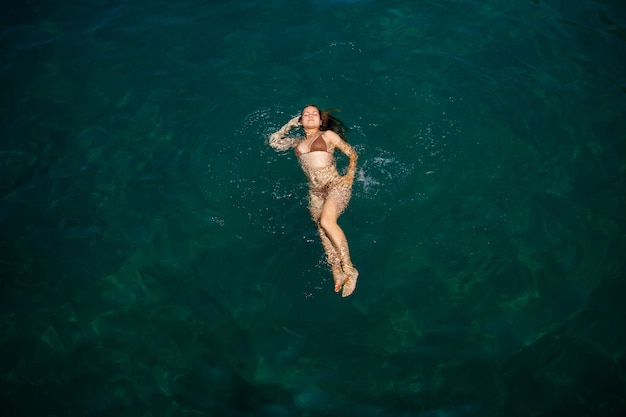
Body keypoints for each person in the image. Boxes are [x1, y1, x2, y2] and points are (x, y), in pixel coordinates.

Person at [268, 104, 359, 297]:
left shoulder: (328, 136)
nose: (310, 116)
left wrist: (349, 176)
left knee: (327, 221)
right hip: (315, 191)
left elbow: (352, 154)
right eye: (305, 114)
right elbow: (274, 143)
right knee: (321, 229)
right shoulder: (296, 141)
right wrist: (289, 125)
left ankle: (350, 269)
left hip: (336, 184)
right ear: (300, 120)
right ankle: (337, 271)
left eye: (314, 114)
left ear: (320, 120)